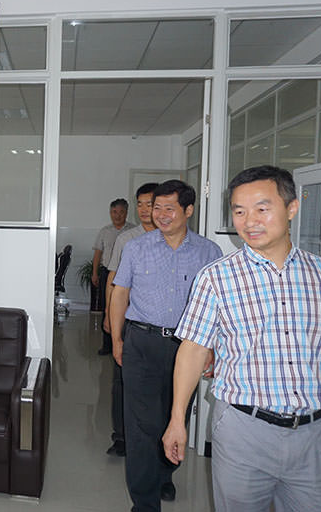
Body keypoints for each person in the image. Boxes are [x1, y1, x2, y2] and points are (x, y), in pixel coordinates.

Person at [162, 166, 321, 512]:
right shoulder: (216, 278)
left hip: (314, 437)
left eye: (262, 208)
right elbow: (193, 350)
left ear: (291, 208)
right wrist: (176, 420)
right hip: (243, 431)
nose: (249, 221)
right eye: (239, 211)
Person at [111, 180, 222, 511]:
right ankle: (144, 502)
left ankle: (164, 474)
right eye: (156, 207)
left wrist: (213, 346)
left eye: (169, 208)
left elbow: (218, 305)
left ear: (188, 210)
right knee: (141, 425)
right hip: (142, 342)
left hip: (187, 346)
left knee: (176, 415)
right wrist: (117, 338)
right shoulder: (136, 248)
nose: (160, 214)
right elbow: (120, 293)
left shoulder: (209, 252)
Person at [101, 182, 158, 457]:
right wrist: (109, 314)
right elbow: (113, 278)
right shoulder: (127, 239)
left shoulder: (171, 237)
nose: (145, 210)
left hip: (160, 326)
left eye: (151, 204)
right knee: (122, 380)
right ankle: (121, 437)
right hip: (128, 318)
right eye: (141, 204)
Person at [91, 198, 134, 355]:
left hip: (128, 276)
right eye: (114, 212)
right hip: (107, 274)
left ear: (126, 213)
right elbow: (98, 253)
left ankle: (125, 342)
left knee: (126, 308)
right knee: (107, 307)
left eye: (121, 212)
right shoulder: (105, 231)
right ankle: (107, 344)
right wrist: (94, 272)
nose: (117, 215)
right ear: (110, 213)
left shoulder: (133, 231)